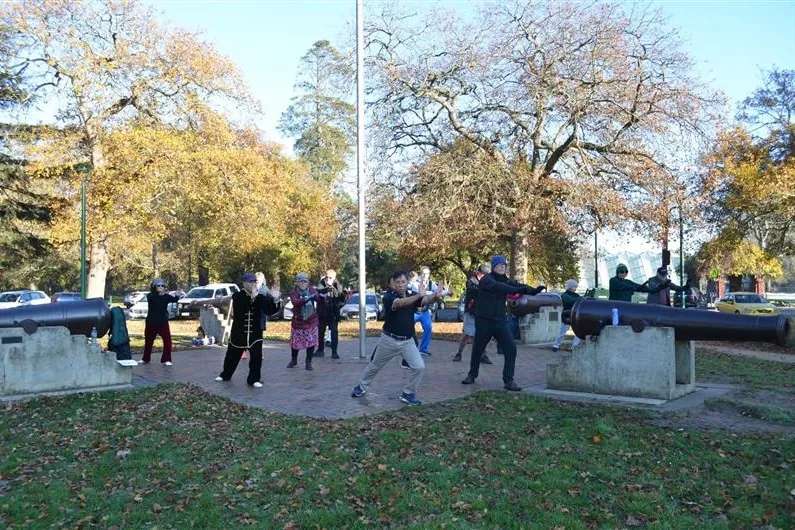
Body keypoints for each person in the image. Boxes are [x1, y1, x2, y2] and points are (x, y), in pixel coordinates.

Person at [351, 271, 445, 406]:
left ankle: (408, 394)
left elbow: (424, 300)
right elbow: (399, 303)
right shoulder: (389, 296)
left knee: (419, 367)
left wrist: (436, 296)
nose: (401, 285)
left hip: (407, 341)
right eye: (398, 282)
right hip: (389, 340)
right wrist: (419, 295)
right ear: (393, 284)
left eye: (403, 282)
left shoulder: (412, 295)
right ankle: (361, 386)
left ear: (407, 283)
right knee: (375, 365)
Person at [462, 255, 545, 391]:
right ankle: (472, 375)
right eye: (499, 265)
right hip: (484, 321)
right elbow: (500, 287)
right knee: (478, 349)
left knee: (511, 348)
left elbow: (518, 286)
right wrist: (519, 290)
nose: (502, 267)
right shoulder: (487, 280)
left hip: (500, 321)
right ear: (493, 267)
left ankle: (508, 380)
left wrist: (533, 290)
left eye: (504, 265)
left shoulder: (507, 280)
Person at [215, 272, 279, 387]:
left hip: (255, 333)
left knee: (256, 357)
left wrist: (275, 299)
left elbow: (270, 311)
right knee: (232, 355)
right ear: (244, 283)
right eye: (250, 282)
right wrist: (253, 298)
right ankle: (225, 375)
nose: (253, 284)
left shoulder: (261, 297)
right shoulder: (237, 296)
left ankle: (254, 379)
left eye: (255, 282)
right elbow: (242, 307)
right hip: (239, 332)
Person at [453, 264, 493, 365]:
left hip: (482, 312)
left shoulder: (487, 282)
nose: (486, 277)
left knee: (483, 335)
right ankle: (459, 353)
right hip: (471, 312)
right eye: (484, 274)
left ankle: (483, 355)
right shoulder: (471, 281)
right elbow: (474, 290)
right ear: (479, 273)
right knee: (467, 334)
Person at [142, 278, 179, 365]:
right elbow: (155, 299)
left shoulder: (166, 296)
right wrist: (161, 294)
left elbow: (175, 299)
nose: (160, 287)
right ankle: (145, 359)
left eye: (162, 285)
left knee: (167, 341)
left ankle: (167, 359)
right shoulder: (150, 296)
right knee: (148, 341)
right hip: (151, 322)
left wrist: (177, 294)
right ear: (154, 287)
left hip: (163, 322)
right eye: (158, 285)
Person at [288, 272, 319, 370]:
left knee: (311, 342)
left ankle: (308, 362)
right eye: (300, 281)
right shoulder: (294, 292)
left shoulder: (312, 290)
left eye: (305, 281)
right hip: (298, 321)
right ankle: (294, 360)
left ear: (308, 282)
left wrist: (320, 296)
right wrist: (306, 299)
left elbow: (318, 298)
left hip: (311, 321)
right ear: (297, 282)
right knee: (295, 343)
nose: (303, 283)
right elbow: (295, 302)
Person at [316, 269, 344, 359]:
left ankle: (334, 352)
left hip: (333, 313)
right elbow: (319, 291)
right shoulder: (322, 282)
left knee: (334, 333)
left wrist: (332, 288)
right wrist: (326, 289)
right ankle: (320, 350)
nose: (328, 279)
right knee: (320, 332)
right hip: (322, 312)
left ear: (334, 277)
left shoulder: (337, 284)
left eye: (330, 278)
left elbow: (340, 296)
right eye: (327, 277)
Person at [409, 266, 437, 355]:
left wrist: (445, 292)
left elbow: (437, 292)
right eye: (423, 273)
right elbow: (422, 293)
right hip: (414, 311)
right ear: (420, 274)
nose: (425, 275)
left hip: (425, 311)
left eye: (427, 273)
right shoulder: (415, 283)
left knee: (428, 328)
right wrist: (434, 293)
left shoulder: (431, 284)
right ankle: (408, 347)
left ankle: (423, 349)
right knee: (407, 328)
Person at [552, 279, 582, 352]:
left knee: (578, 332)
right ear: (570, 287)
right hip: (567, 315)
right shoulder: (565, 295)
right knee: (562, 332)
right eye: (574, 287)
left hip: (574, 315)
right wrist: (580, 299)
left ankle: (574, 346)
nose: (575, 288)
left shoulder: (576, 295)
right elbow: (572, 301)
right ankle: (556, 345)